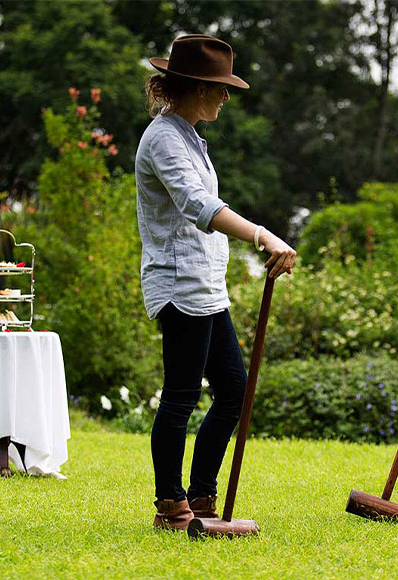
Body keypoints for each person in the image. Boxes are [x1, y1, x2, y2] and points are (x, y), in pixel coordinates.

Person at [135, 35, 297, 531]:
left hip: (204, 287)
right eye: (220, 88)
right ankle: (171, 506)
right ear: (194, 87)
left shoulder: (188, 135)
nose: (227, 97)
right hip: (178, 284)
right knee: (181, 394)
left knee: (233, 392)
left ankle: (202, 497)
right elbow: (197, 206)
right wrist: (263, 236)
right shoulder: (163, 138)